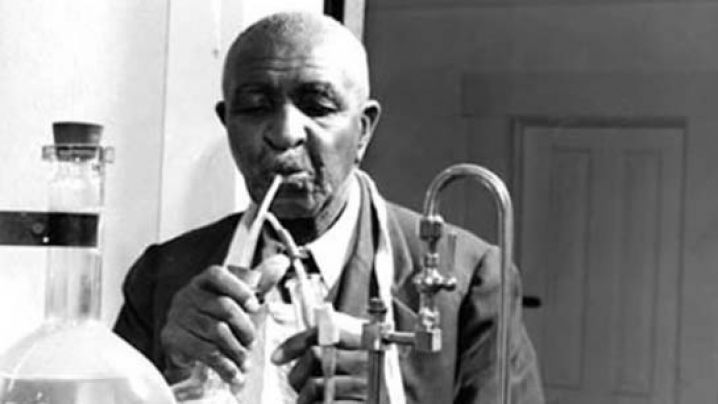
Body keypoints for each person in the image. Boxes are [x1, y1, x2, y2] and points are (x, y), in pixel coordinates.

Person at [113, 11, 544, 404]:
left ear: (363, 131)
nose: (284, 133)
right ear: (227, 124)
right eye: (256, 107)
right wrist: (173, 380)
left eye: (317, 106)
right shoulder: (160, 280)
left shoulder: (471, 282)